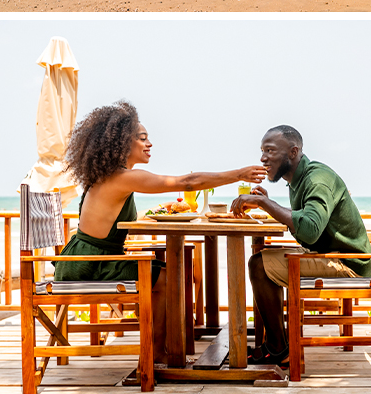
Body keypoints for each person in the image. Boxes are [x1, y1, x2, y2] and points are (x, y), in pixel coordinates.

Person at [58, 101, 266, 362]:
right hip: (92, 266)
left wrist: (163, 208)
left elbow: (108, 223)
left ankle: (164, 348)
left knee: (164, 271)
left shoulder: (106, 176)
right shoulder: (124, 178)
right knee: (168, 278)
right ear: (122, 143)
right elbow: (188, 182)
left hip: (82, 259)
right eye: (142, 138)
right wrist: (239, 174)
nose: (149, 144)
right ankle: (157, 353)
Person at [230, 125, 371, 366]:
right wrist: (268, 202)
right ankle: (276, 344)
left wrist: (264, 203)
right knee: (261, 259)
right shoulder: (298, 179)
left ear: (293, 152)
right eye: (262, 151)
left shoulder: (317, 180)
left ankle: (278, 349)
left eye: (270, 150)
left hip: (348, 263)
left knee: (259, 264)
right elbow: (306, 224)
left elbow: (309, 229)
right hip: (330, 255)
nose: (263, 158)